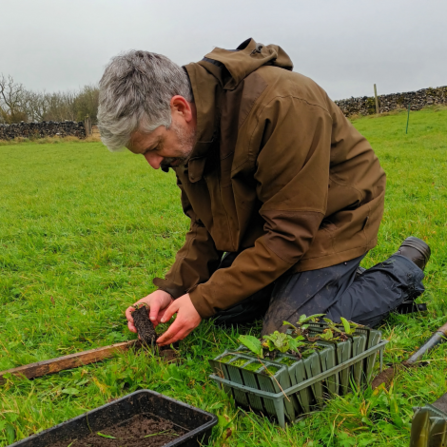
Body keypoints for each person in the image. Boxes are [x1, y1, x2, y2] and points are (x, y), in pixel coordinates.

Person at [97, 38, 430, 347]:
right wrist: (172, 290)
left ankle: (401, 269)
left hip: (336, 214)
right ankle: (324, 283)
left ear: (180, 108)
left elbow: (289, 235)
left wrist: (201, 300)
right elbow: (206, 227)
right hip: (275, 217)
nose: (154, 163)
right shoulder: (187, 137)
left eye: (154, 147)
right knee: (220, 310)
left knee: (292, 333)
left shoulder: (280, 104)